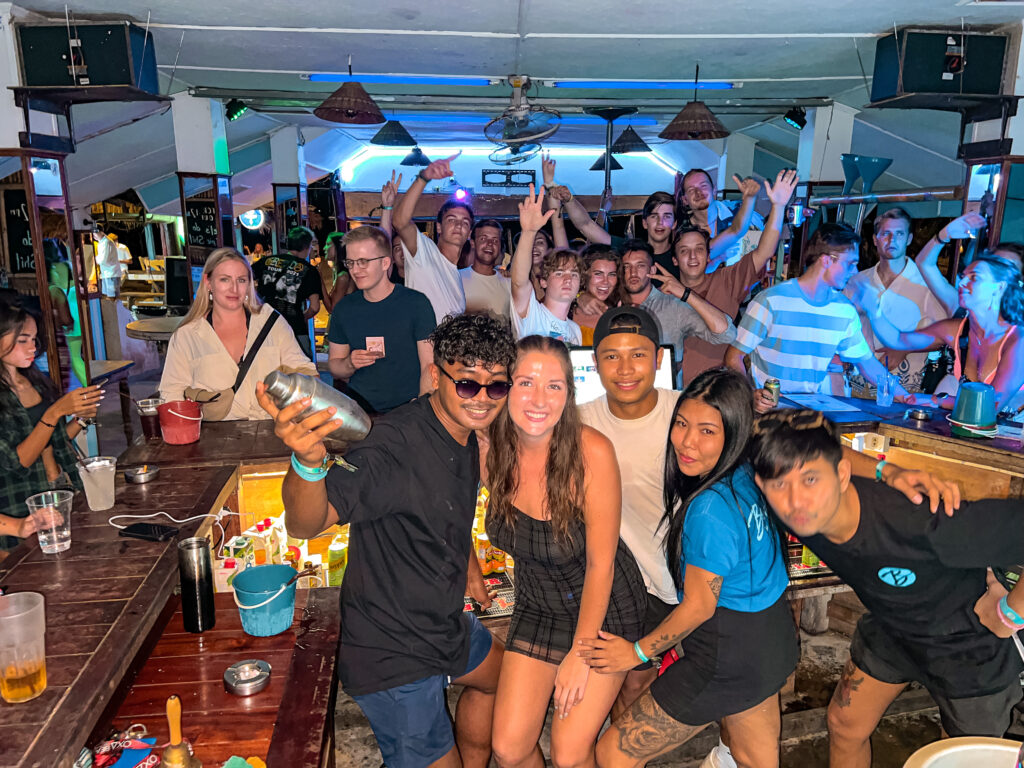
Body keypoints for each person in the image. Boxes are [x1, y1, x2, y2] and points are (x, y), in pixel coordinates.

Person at [256, 313, 515, 768]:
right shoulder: (389, 447)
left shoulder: (467, 436)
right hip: (391, 652)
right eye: (468, 384)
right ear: (436, 375)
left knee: (503, 677)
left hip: (441, 626)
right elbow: (305, 523)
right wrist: (306, 462)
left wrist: (470, 569)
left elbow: (445, 510)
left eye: (496, 386)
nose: (482, 399)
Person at [749, 409, 1024, 768]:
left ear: (841, 474)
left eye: (811, 480)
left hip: (969, 650)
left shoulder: (924, 520)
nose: (796, 501)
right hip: (893, 629)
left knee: (957, 761)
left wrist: (1010, 612)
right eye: (780, 484)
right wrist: (885, 469)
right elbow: (807, 456)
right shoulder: (790, 499)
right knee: (844, 725)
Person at [582, 368, 797, 768]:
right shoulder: (751, 470)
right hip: (771, 641)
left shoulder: (709, 508)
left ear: (734, 432)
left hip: (725, 656)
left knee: (611, 755)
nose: (687, 442)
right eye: (681, 424)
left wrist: (636, 653)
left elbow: (699, 606)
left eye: (707, 431)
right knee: (756, 760)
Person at [485, 334, 646, 768]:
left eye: (554, 385)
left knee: (571, 755)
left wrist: (580, 651)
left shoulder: (591, 452)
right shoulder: (489, 449)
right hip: (538, 604)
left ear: (569, 394)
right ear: (505, 385)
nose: (539, 398)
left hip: (604, 608)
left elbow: (601, 563)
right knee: (508, 748)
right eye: (525, 383)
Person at [726, 223, 908, 411]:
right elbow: (734, 356)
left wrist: (906, 396)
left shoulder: (843, 309)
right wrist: (749, 395)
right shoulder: (771, 300)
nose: (855, 271)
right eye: (850, 263)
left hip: (810, 415)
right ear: (827, 260)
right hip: (769, 415)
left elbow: (866, 362)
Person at [160, 248, 316, 420]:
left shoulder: (271, 322)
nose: (234, 289)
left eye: (241, 280)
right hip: (213, 439)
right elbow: (171, 394)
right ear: (208, 282)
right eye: (224, 279)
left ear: (249, 284)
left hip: (272, 432)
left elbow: (305, 372)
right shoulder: (187, 336)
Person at [861, 250, 1024, 413]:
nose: (961, 282)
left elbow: (989, 407)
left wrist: (938, 400)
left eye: (974, 277)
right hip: (975, 428)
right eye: (963, 275)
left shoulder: (1018, 340)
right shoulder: (957, 330)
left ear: (1000, 287)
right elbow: (897, 340)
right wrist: (873, 309)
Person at [677, 170, 798, 384]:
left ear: (709, 255)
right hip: (675, 392)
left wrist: (778, 207)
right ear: (675, 258)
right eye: (685, 251)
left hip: (720, 388)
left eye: (699, 249)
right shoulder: (666, 289)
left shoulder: (726, 281)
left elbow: (764, 250)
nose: (693, 256)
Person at [0, 302, 102, 552]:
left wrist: (80, 418)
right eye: (22, 340)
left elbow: (53, 441)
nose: (33, 347)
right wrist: (55, 411)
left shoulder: (32, 380)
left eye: (34, 339)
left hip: (53, 499)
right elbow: (17, 461)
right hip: (15, 509)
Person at [327, 226, 435, 414]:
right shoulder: (344, 309)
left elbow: (429, 365)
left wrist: (422, 409)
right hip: (360, 409)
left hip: (407, 409)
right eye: (351, 262)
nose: (355, 269)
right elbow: (335, 367)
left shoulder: (416, 303)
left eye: (363, 262)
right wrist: (349, 364)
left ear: (385, 263)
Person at [843, 208, 949, 394]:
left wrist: (904, 349)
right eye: (886, 234)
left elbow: (944, 336)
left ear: (908, 239)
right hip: (857, 383)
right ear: (875, 239)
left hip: (905, 385)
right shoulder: (856, 281)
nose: (892, 240)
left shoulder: (928, 283)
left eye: (899, 234)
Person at [621, 240, 736, 387]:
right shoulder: (614, 304)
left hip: (665, 399)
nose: (633, 272)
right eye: (627, 266)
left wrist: (686, 294)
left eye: (640, 265)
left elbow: (727, 333)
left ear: (652, 270)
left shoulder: (672, 306)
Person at [394, 153, 471, 323]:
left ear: (469, 233)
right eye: (451, 220)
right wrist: (424, 177)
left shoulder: (456, 275)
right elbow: (400, 221)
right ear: (439, 227)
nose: (459, 225)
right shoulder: (425, 251)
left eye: (465, 222)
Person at [510, 185, 583, 344]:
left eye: (574, 274)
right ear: (543, 280)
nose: (568, 279)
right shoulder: (532, 314)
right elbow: (519, 282)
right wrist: (529, 232)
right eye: (559, 273)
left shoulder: (575, 330)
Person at [251, 225, 322, 360]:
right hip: (294, 328)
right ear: (306, 247)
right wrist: (301, 317)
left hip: (264, 327)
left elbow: (246, 280)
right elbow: (314, 307)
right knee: (301, 371)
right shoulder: (309, 270)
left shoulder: (267, 261)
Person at [676, 169, 765, 269]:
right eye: (691, 190)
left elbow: (765, 249)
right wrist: (718, 259)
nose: (698, 192)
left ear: (714, 189)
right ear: (685, 200)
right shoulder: (682, 233)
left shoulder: (740, 213)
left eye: (703, 186)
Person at [460, 219, 512, 323]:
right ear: (473, 243)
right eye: (483, 239)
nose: (489, 244)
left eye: (495, 240)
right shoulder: (457, 278)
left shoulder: (509, 282)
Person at [572, 245, 622, 345]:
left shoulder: (622, 310)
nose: (606, 282)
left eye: (612, 274)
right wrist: (578, 296)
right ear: (584, 274)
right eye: (598, 274)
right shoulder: (566, 310)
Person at [93, 229, 120, 299]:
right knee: (107, 296)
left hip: (111, 274)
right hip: (107, 273)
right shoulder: (102, 242)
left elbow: (103, 260)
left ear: (102, 232)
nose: (94, 235)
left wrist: (95, 259)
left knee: (111, 297)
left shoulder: (106, 242)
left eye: (96, 233)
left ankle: (115, 309)